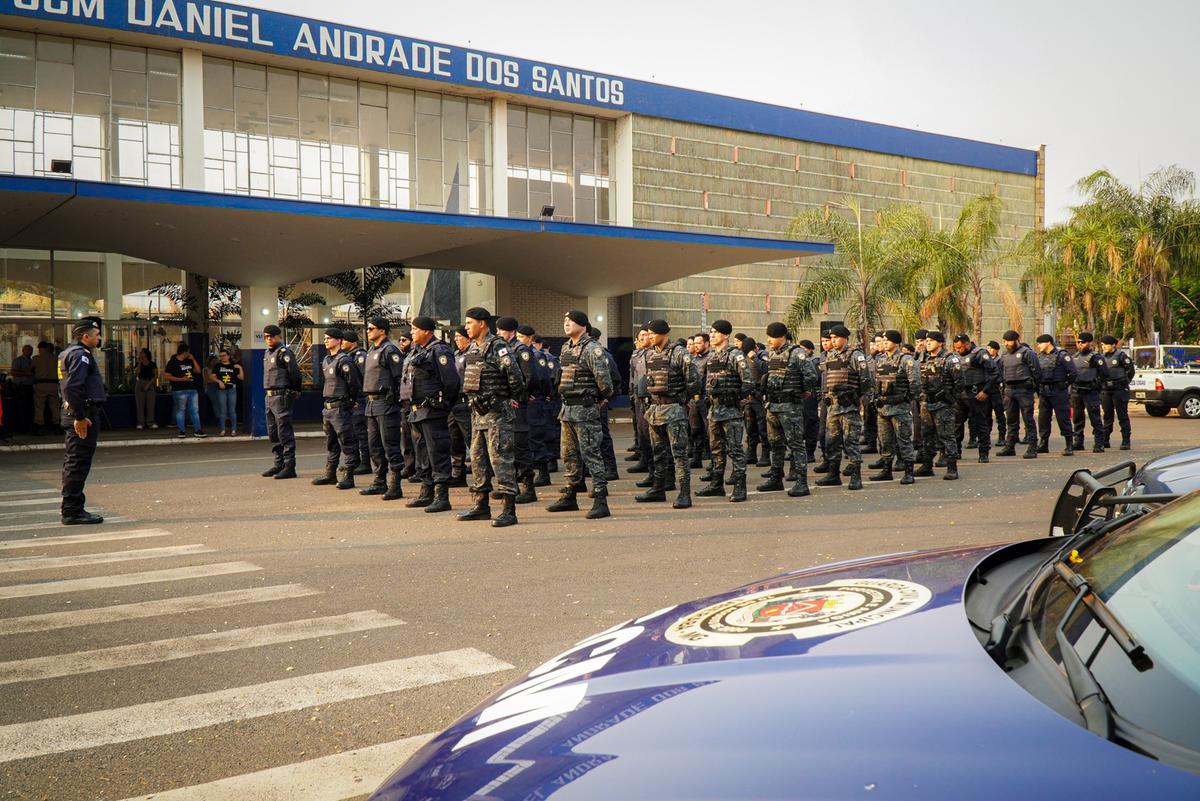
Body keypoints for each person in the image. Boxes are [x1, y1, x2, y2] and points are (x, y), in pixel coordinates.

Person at [457, 307, 526, 528]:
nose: (466, 326)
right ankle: (481, 506)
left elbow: (515, 377)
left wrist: (504, 399)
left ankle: (509, 510)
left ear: (482, 324)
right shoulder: (474, 348)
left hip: (497, 414)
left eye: (469, 322)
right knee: (477, 460)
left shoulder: (497, 346)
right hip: (478, 414)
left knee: (501, 460)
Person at [547, 309, 615, 519]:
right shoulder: (566, 347)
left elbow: (605, 382)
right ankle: (570, 496)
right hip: (567, 410)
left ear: (582, 324)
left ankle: (600, 500)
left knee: (591, 454)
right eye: (565, 320)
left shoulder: (592, 348)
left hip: (585, 411)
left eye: (571, 321)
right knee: (569, 456)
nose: (566, 324)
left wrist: (600, 399)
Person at [637, 319, 701, 509]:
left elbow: (694, 381)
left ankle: (684, 493)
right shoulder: (650, 354)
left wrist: (681, 400)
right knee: (658, 453)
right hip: (655, 411)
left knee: (679, 454)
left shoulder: (679, 353)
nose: (649, 337)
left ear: (663, 334)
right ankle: (658, 489)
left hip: (674, 410)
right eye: (647, 334)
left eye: (652, 334)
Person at [401, 316, 461, 513]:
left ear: (426, 331)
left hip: (432, 411)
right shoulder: (416, 351)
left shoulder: (439, 350)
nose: (411, 333)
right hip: (416, 411)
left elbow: (451, 382)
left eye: (414, 329)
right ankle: (426, 493)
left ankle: (442, 497)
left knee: (438, 453)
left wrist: (444, 405)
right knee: (422, 454)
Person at [694, 320, 752, 501]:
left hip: (731, 411)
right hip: (714, 410)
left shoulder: (735, 355)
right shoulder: (711, 356)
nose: (712, 335)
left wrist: (735, 397)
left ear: (726, 335)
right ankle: (716, 484)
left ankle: (740, 487)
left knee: (735, 449)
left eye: (716, 332)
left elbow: (748, 382)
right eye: (710, 332)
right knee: (716, 449)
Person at [758, 322, 819, 497]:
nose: (769, 340)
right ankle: (776, 479)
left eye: (772, 336)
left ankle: (802, 482)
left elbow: (811, 375)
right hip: (773, 406)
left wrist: (801, 391)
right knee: (775, 444)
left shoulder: (796, 353)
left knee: (796, 445)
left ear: (781, 337)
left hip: (790, 407)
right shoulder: (772, 354)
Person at [59, 317, 107, 525]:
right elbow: (71, 388)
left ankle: (74, 507)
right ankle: (72, 511)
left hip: (78, 413)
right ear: (85, 336)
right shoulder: (80, 355)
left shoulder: (68, 352)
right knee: (77, 463)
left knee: (75, 462)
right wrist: (79, 416)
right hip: (81, 416)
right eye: (96, 335)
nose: (99, 338)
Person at [816, 324, 870, 490]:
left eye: (836, 338)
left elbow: (866, 381)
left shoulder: (856, 355)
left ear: (845, 338)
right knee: (832, 441)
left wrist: (857, 398)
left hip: (849, 407)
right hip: (833, 406)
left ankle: (856, 476)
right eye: (831, 338)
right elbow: (826, 379)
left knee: (850, 442)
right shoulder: (830, 356)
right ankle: (833, 475)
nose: (832, 341)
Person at [359, 317, 407, 500]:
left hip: (386, 405)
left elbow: (399, 378)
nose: (368, 331)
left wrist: (395, 398)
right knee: (374, 445)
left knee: (390, 445)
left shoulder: (390, 350)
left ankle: (395, 485)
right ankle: (379, 482)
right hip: (371, 404)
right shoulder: (372, 350)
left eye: (371, 328)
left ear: (382, 331)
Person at [311, 328, 361, 489]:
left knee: (347, 442)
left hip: (340, 408)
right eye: (325, 338)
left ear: (338, 340)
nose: (325, 341)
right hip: (328, 407)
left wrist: (350, 402)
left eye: (329, 338)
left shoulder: (344, 360)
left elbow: (354, 384)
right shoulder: (326, 359)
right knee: (331, 442)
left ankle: (348, 476)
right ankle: (330, 474)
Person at [496, 316, 539, 503]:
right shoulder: (504, 350)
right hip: (506, 405)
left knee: (521, 445)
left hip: (518, 405)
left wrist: (519, 397)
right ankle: (511, 485)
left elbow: (529, 377)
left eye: (501, 330)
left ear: (511, 332)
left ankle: (528, 487)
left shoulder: (521, 350)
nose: (498, 334)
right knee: (508, 445)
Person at [869, 330, 921, 484]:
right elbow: (875, 382)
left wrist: (907, 399)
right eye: (883, 340)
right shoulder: (881, 360)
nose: (884, 342)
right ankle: (886, 470)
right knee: (885, 441)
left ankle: (908, 472)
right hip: (883, 408)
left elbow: (916, 383)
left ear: (896, 342)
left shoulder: (906, 360)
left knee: (903, 440)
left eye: (887, 340)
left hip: (900, 408)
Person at [915, 331, 963, 480]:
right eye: (926, 340)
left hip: (943, 404)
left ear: (940, 343)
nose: (927, 343)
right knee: (926, 435)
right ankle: (927, 465)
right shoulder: (923, 358)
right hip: (926, 403)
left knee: (947, 436)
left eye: (931, 340)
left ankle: (952, 467)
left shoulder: (950, 359)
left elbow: (960, 383)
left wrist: (949, 397)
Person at [261, 324, 302, 480]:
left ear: (279, 336)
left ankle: (289, 466)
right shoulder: (267, 353)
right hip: (269, 396)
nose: (269, 339)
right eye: (266, 337)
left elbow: (295, 374)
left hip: (281, 396)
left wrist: (295, 391)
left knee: (284, 431)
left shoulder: (284, 352)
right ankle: (278, 464)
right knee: (273, 432)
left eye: (271, 336)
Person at [516, 324, 553, 486]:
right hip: (523, 400)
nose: (519, 341)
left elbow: (544, 379)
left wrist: (537, 395)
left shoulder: (537, 355)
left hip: (534, 400)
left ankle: (544, 472)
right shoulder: (517, 352)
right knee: (521, 438)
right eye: (517, 337)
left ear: (530, 339)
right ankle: (523, 471)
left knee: (536, 436)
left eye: (521, 338)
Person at [995, 331, 1041, 459]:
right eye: (1005, 341)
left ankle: (1032, 447)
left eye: (1009, 341)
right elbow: (1001, 373)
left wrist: (1035, 390)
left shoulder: (1027, 353)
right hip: (1009, 391)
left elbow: (1037, 372)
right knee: (1011, 420)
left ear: (1017, 340)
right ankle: (1010, 446)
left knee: (1028, 419)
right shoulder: (1004, 355)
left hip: (1024, 390)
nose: (1006, 344)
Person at [952, 335, 996, 463]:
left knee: (980, 424)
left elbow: (994, 373)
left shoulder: (979, 354)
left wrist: (985, 391)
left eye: (960, 347)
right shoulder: (955, 356)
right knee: (957, 424)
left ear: (967, 344)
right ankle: (955, 452)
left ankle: (983, 453)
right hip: (960, 394)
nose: (958, 350)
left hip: (976, 393)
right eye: (956, 348)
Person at [1033, 333, 1077, 456]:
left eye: (1040, 343)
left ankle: (1069, 444)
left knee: (1063, 418)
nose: (1038, 345)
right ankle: (1043, 444)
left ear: (1048, 342)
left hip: (1058, 391)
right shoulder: (1038, 357)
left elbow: (1073, 373)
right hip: (1044, 392)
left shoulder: (1062, 355)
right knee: (1043, 418)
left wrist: (1064, 385)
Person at [1069, 332, 1110, 453]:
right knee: (1077, 418)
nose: (1080, 344)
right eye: (1078, 342)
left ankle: (1099, 443)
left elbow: (1105, 374)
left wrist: (1097, 385)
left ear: (1089, 343)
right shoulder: (1074, 356)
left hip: (1090, 391)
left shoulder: (1096, 357)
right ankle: (1078, 441)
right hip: (1077, 391)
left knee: (1095, 418)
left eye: (1083, 342)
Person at [342, 330, 374, 473]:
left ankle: (365, 463)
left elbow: (363, 378)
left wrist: (358, 396)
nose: (342, 343)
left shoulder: (360, 356)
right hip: (351, 400)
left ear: (353, 342)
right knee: (352, 432)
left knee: (360, 432)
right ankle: (354, 461)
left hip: (359, 400)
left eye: (344, 340)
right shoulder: (347, 357)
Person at [447, 326, 472, 487]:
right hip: (453, 404)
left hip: (466, 403)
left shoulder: (472, 354)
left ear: (467, 338)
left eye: (459, 337)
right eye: (455, 337)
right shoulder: (456, 355)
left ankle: (482, 475)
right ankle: (458, 474)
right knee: (454, 441)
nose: (456, 340)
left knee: (472, 440)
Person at [1099, 335, 1134, 450]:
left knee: (1122, 415)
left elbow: (1131, 370)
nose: (1103, 347)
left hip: (1119, 389)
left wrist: (1124, 382)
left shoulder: (1121, 356)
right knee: (1107, 416)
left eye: (1105, 344)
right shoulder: (1101, 357)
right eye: (1102, 345)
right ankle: (1105, 439)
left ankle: (1126, 440)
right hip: (1106, 390)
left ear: (1113, 345)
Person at [164, 343, 205, 438]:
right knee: (181, 410)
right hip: (179, 389)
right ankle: (181, 430)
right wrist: (181, 379)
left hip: (192, 388)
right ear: (184, 352)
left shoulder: (189, 361)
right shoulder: (173, 362)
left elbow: (198, 371)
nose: (189, 354)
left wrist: (193, 359)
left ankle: (198, 430)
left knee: (194, 410)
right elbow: (167, 376)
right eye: (188, 352)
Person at [687, 332, 711, 469]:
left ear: (706, 344)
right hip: (693, 400)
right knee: (695, 430)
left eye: (698, 343)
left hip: (705, 399)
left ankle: (712, 458)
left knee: (710, 430)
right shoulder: (693, 360)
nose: (696, 346)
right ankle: (697, 457)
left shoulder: (711, 358)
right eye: (694, 343)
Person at [208, 349, 242, 436]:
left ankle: (234, 429)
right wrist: (219, 381)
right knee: (222, 410)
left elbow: (241, 377)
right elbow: (211, 377)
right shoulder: (218, 366)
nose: (222, 357)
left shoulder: (233, 366)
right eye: (221, 356)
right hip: (221, 390)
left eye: (224, 355)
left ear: (228, 356)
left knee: (232, 410)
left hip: (232, 389)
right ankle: (222, 429)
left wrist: (240, 368)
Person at [31, 341, 60, 434]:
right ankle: (57, 425)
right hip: (53, 385)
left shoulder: (36, 358)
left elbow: (30, 370)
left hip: (40, 385)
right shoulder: (56, 359)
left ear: (40, 348)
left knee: (39, 406)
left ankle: (39, 426)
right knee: (55, 406)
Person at [984, 340, 1007, 444]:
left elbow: (1002, 374)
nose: (989, 350)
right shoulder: (984, 360)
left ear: (996, 350)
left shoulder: (1000, 360)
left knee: (999, 415)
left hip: (997, 390)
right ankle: (986, 437)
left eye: (991, 348)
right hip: (986, 390)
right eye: (987, 348)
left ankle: (1002, 437)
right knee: (986, 414)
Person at [9, 343, 33, 432]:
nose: (30, 352)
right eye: (28, 350)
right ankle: (20, 427)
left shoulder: (31, 361)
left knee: (28, 407)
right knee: (21, 407)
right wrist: (26, 374)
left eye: (31, 350)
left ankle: (27, 426)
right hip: (21, 387)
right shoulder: (18, 360)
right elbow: (13, 372)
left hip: (30, 386)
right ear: (23, 351)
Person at [133, 348, 158, 430]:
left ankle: (151, 422)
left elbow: (155, 376)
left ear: (146, 354)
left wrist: (149, 385)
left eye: (142, 352)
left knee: (151, 404)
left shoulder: (152, 364)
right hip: (140, 382)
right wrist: (139, 363)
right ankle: (140, 422)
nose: (140, 354)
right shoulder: (138, 363)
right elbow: (136, 373)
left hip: (150, 382)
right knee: (140, 404)